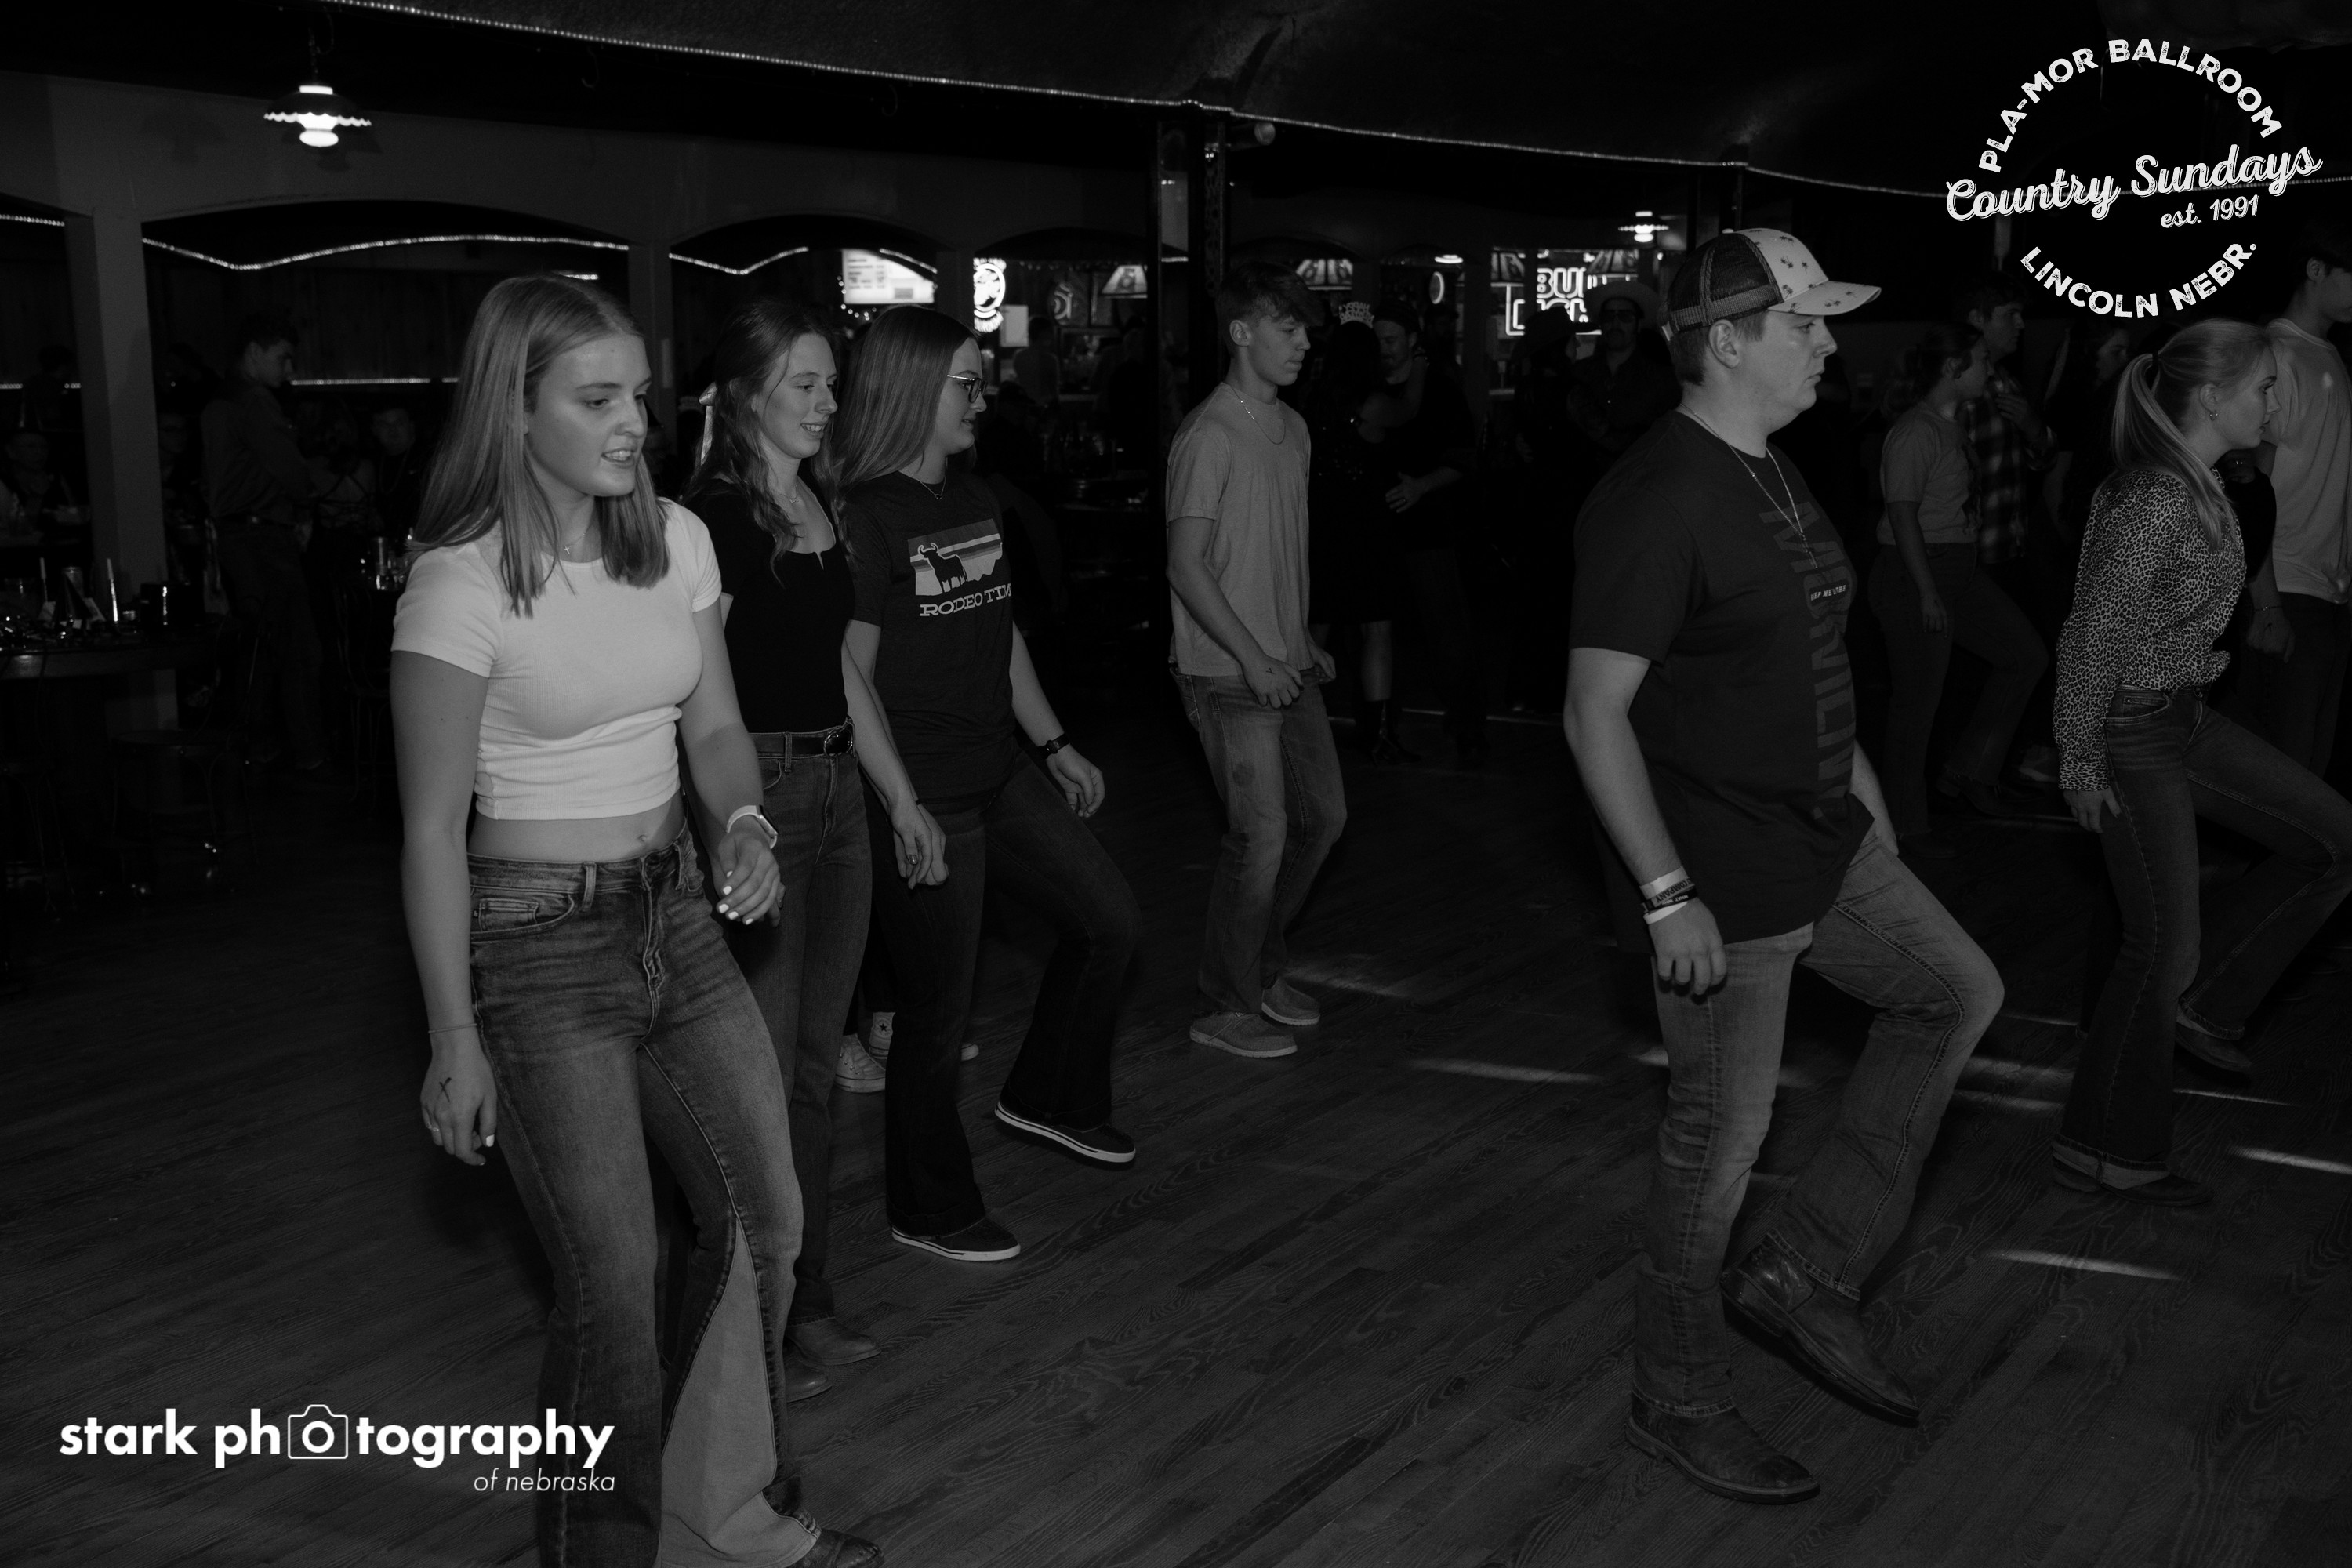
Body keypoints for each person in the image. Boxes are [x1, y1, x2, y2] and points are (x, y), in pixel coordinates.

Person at [390, 275, 880, 1567]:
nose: (632, 424)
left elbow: (712, 726)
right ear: (516, 409)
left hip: (681, 917)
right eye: (596, 399)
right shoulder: (456, 586)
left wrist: (746, 822)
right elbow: (431, 833)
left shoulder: (674, 539)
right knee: (612, 1287)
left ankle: (727, 1512)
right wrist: (452, 1036)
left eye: (640, 397)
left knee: (764, 1222)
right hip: (538, 947)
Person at [1566, 230, 2002, 1504]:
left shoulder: (1776, 467)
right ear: (1726, 341)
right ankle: (1677, 1398)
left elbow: (1804, 650)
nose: (1826, 343)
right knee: (1717, 1148)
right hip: (1720, 874)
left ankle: (1806, 1265)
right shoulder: (1656, 500)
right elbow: (1594, 713)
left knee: (1955, 991)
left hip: (1820, 836)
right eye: (1803, 323)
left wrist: (1864, 798)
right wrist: (1666, 896)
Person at [833, 304, 1140, 1265]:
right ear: (912, 390)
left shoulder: (971, 497)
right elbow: (850, 676)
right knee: (937, 1011)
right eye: (966, 383)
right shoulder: (866, 514)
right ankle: (928, 1205)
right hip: (925, 792)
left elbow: (1000, 635)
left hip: (999, 770)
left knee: (1110, 921)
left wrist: (1055, 743)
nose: (982, 397)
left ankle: (1049, 1095)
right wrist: (901, 801)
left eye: (980, 380)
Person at [684, 299, 947, 1388]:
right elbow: (693, 699)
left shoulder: (818, 501)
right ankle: (751, 1318)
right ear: (749, 394)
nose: (830, 401)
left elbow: (840, 662)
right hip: (767, 794)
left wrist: (900, 797)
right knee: (759, 1076)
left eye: (832, 382)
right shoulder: (712, 520)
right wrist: (724, 828)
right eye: (806, 383)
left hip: (835, 789)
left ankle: (803, 1296)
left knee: (813, 1071)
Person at [2053, 319, 2352, 1199]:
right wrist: (2080, 760)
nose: (2276, 403)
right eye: (2266, 387)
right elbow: (2091, 636)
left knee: (2334, 840)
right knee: (2159, 948)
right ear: (2214, 397)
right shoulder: (2154, 497)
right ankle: (2106, 1149)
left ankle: (2207, 1001)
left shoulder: (2202, 482)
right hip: (2131, 727)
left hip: (2184, 715)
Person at [1167, 262, 1348, 1062]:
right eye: (1288, 326)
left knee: (1323, 820)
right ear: (1242, 333)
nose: (1302, 342)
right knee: (1262, 834)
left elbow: (1275, 550)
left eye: (1305, 329)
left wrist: (1299, 637)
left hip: (1284, 663)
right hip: (1224, 668)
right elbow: (1186, 565)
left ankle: (1258, 968)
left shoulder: (1294, 429)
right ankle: (1226, 1002)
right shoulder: (1208, 434)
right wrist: (1253, 655)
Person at [1869, 325, 2048, 855]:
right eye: (1981, 360)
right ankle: (1905, 827)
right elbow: (1901, 514)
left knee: (2026, 656)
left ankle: (1968, 769)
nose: (1989, 370)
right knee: (1916, 703)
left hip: (1957, 569)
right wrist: (1927, 591)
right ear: (1953, 368)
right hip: (1917, 571)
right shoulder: (1916, 430)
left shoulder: (1951, 424)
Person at [2233, 223, 2352, 778]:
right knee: (2286, 778)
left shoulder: (2327, 356)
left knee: (2308, 777)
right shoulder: (2277, 354)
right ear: (2316, 270)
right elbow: (2247, 485)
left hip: (2325, 592)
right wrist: (2267, 605)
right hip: (2286, 587)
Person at [203, 314, 328, 774]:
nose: (290, 370)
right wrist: (305, 506)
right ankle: (310, 754)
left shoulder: (219, 400)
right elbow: (288, 467)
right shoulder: (254, 401)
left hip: (235, 535)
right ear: (254, 352)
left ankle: (258, 748)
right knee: (297, 648)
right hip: (262, 537)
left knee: (257, 646)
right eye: (284, 357)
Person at [1375, 299, 1487, 763]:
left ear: (1411, 340)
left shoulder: (1440, 391)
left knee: (1447, 634)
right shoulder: (1370, 391)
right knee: (1379, 633)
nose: (1383, 348)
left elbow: (1464, 458)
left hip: (1429, 531)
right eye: (1377, 340)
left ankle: (1468, 729)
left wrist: (1421, 486)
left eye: (1390, 339)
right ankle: (1381, 728)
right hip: (1381, 532)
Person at [1306, 309, 1415, 760]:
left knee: (1315, 628)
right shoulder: (1374, 403)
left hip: (1324, 528)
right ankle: (1378, 734)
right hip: (1369, 529)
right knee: (1376, 631)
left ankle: (1296, 727)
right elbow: (1408, 412)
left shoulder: (1313, 402)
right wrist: (1419, 371)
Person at [1566, 280, 1680, 466]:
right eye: (1608, 317)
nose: (1616, 324)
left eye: (1625, 317)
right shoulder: (1580, 374)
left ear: (1638, 324)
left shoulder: (1660, 379)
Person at [372, 402, 430, 542]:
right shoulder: (372, 461)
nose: (392, 429)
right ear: (374, 430)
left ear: (411, 426)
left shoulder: (428, 459)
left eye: (399, 423)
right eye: (384, 424)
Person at [1012, 315, 1062, 406]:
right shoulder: (1050, 359)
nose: (1052, 335)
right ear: (1042, 333)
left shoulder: (1019, 356)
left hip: (1024, 405)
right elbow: (1054, 389)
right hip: (1044, 407)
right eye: (1049, 332)